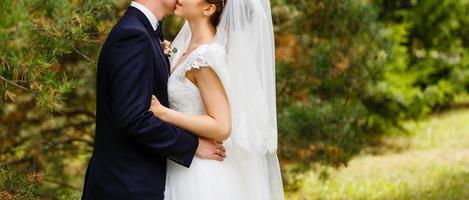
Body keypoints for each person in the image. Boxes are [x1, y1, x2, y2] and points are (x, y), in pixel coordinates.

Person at [81, 1, 225, 199]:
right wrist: (191, 145)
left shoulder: (147, 33)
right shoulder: (133, 35)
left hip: (150, 180)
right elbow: (133, 118)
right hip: (126, 185)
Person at [149, 0, 284, 199]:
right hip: (182, 161)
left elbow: (221, 126)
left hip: (199, 173)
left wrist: (163, 113)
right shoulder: (186, 47)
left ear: (208, 9)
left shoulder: (204, 57)